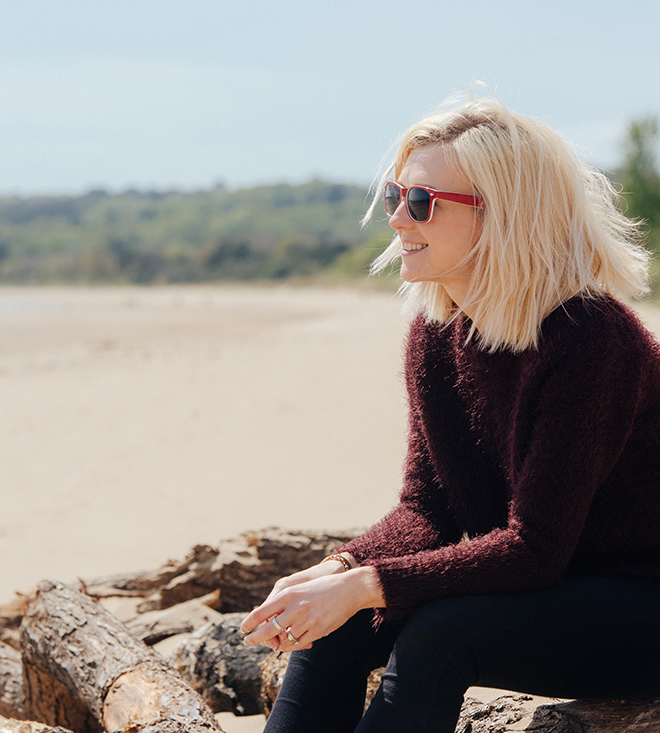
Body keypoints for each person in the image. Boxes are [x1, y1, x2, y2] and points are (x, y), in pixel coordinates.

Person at [240, 91, 660, 732]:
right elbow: (428, 511)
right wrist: (337, 572)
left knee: (439, 630)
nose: (397, 221)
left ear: (504, 215)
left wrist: (363, 585)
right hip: (538, 597)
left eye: (421, 203)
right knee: (345, 620)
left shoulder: (594, 339)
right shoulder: (437, 338)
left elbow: (535, 548)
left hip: (639, 606)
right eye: (394, 197)